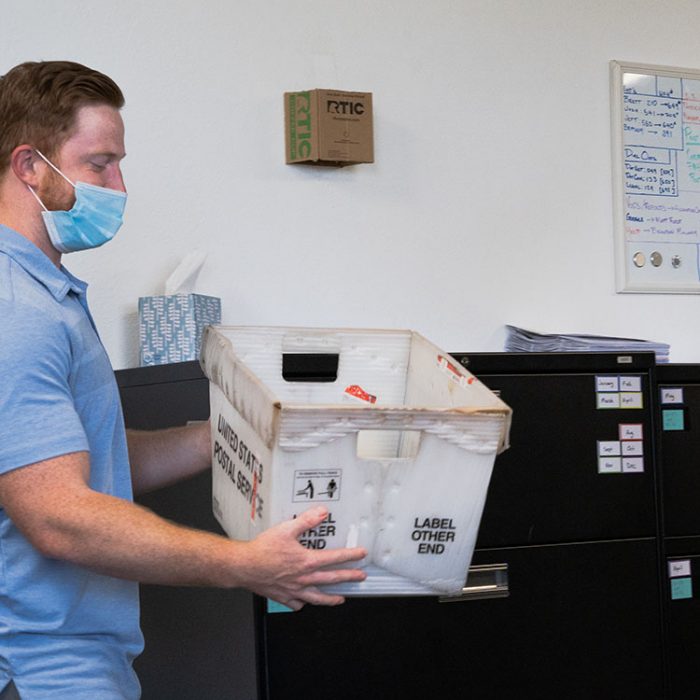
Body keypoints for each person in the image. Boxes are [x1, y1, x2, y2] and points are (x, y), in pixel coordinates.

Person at [0, 60, 367, 700]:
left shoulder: (47, 295)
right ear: (29, 166)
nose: (118, 185)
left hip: (79, 656)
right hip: (39, 665)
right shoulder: (17, 309)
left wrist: (223, 433)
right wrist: (247, 564)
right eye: (99, 164)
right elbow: (59, 515)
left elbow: (89, 463)